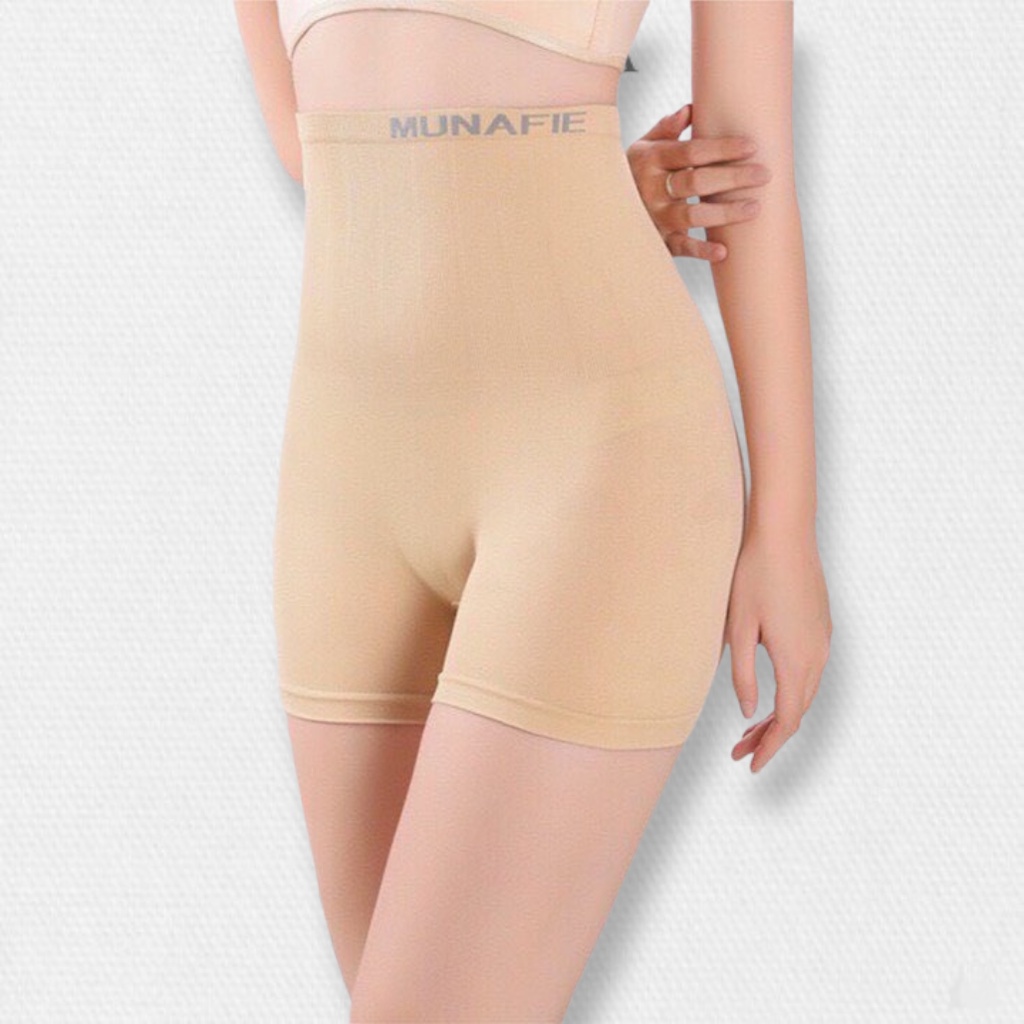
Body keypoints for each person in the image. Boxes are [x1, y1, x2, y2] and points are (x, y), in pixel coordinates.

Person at [234, 2, 832, 1020]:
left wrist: (786, 525)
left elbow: (746, 170)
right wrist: (581, 186)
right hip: (342, 484)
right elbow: (310, 140)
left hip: (595, 460)